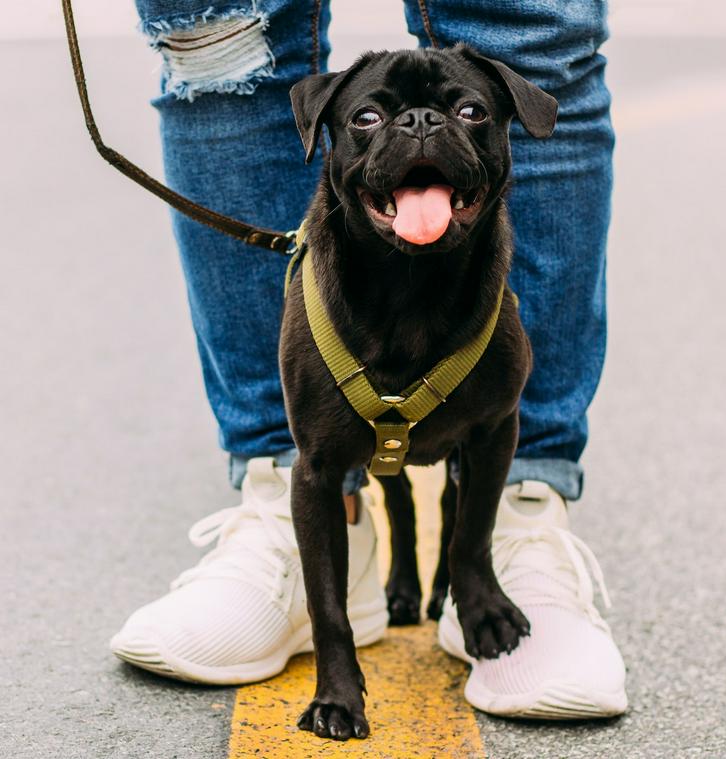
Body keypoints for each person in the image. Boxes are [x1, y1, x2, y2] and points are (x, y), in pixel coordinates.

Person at [110, 0, 627, 718]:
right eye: (371, 120)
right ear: (322, 132)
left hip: (476, 347)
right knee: (214, 32)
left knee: (532, 24)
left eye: (467, 113)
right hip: (337, 329)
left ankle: (506, 529)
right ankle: (283, 496)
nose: (419, 129)